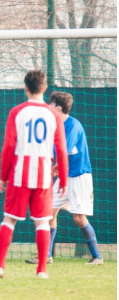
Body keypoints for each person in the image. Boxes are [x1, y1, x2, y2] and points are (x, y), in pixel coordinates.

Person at [0, 70, 68, 279]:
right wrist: (63, 176)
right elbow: (61, 149)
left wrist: (3, 177)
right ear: (44, 88)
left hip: (19, 174)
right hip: (43, 175)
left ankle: (0, 267)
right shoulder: (53, 114)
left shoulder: (17, 111)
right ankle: (42, 270)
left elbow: (8, 147)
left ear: (25, 87)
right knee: (42, 222)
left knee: (9, 220)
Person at [25, 91, 102, 265]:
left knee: (78, 218)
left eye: (51, 104)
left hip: (79, 176)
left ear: (58, 108)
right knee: (48, 212)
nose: (48, 107)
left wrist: (54, 168)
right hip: (65, 176)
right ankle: (46, 255)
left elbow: (64, 151)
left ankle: (97, 256)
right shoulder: (54, 124)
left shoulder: (73, 125)